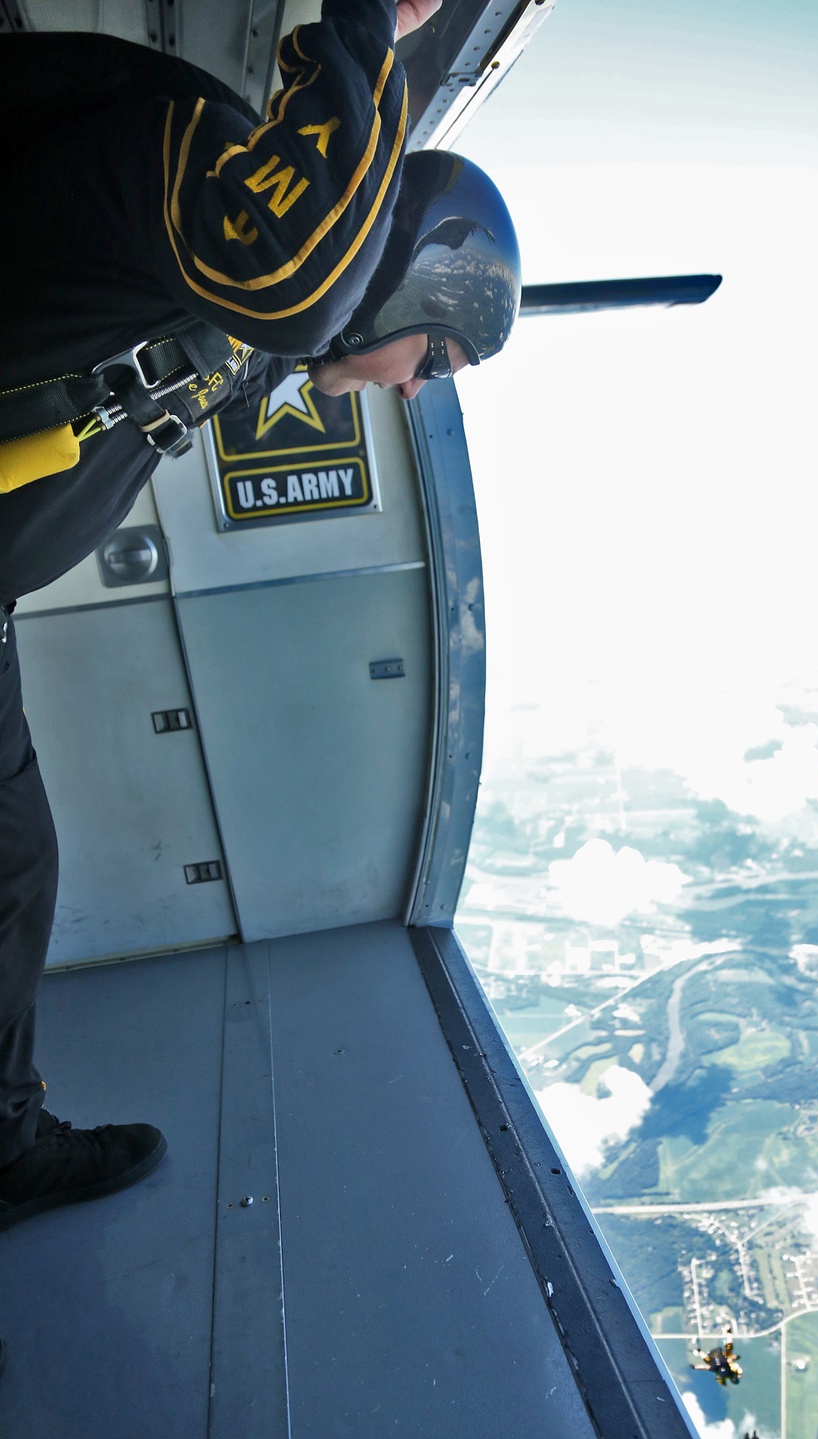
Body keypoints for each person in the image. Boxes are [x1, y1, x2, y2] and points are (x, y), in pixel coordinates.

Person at [0, 0, 520, 1245]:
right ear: (408, 269)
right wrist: (367, 25)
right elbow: (294, 274)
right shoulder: (195, 169)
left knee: (15, 867)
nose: (409, 388)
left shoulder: (224, 334)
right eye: (431, 359)